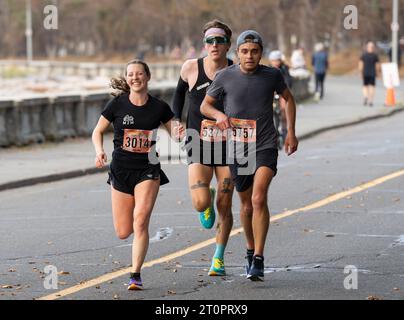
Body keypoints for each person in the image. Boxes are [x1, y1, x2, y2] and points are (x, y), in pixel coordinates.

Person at [201, 30, 298, 281]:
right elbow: (205, 105)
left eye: (255, 51)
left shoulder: (272, 75)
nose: (250, 56)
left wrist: (290, 133)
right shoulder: (225, 76)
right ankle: (250, 249)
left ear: (261, 53)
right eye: (245, 51)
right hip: (238, 148)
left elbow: (289, 99)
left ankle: (259, 259)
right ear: (237, 53)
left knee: (258, 198)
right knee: (245, 205)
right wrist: (220, 116)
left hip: (265, 144)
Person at [92, 60, 184, 290]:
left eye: (139, 74)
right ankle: (134, 248)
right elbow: (97, 131)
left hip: (148, 169)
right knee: (124, 231)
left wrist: (179, 132)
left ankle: (135, 274)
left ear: (148, 77)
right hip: (121, 170)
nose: (135, 78)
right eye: (131, 74)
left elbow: (175, 134)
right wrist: (99, 150)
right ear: (127, 78)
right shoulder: (117, 105)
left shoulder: (159, 107)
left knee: (141, 220)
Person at [172, 20, 235, 276]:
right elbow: (177, 98)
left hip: (230, 146)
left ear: (228, 44)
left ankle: (218, 258)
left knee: (226, 203)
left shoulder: (237, 70)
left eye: (219, 40)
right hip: (197, 141)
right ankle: (205, 200)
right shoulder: (190, 68)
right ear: (204, 44)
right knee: (200, 203)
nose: (214, 45)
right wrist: (176, 121)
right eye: (210, 40)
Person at [269, 50, 292, 149]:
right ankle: (275, 135)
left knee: (283, 111)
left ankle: (284, 132)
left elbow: (288, 81)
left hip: (282, 93)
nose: (275, 63)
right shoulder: (268, 70)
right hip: (272, 95)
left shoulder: (284, 69)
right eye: (273, 61)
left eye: (277, 60)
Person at [359, 41, 380, 107]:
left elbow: (360, 65)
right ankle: (370, 101)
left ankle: (366, 97)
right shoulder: (375, 55)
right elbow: (377, 65)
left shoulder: (363, 55)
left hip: (365, 73)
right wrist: (378, 72)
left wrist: (360, 72)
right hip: (372, 73)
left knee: (365, 86)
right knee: (372, 87)